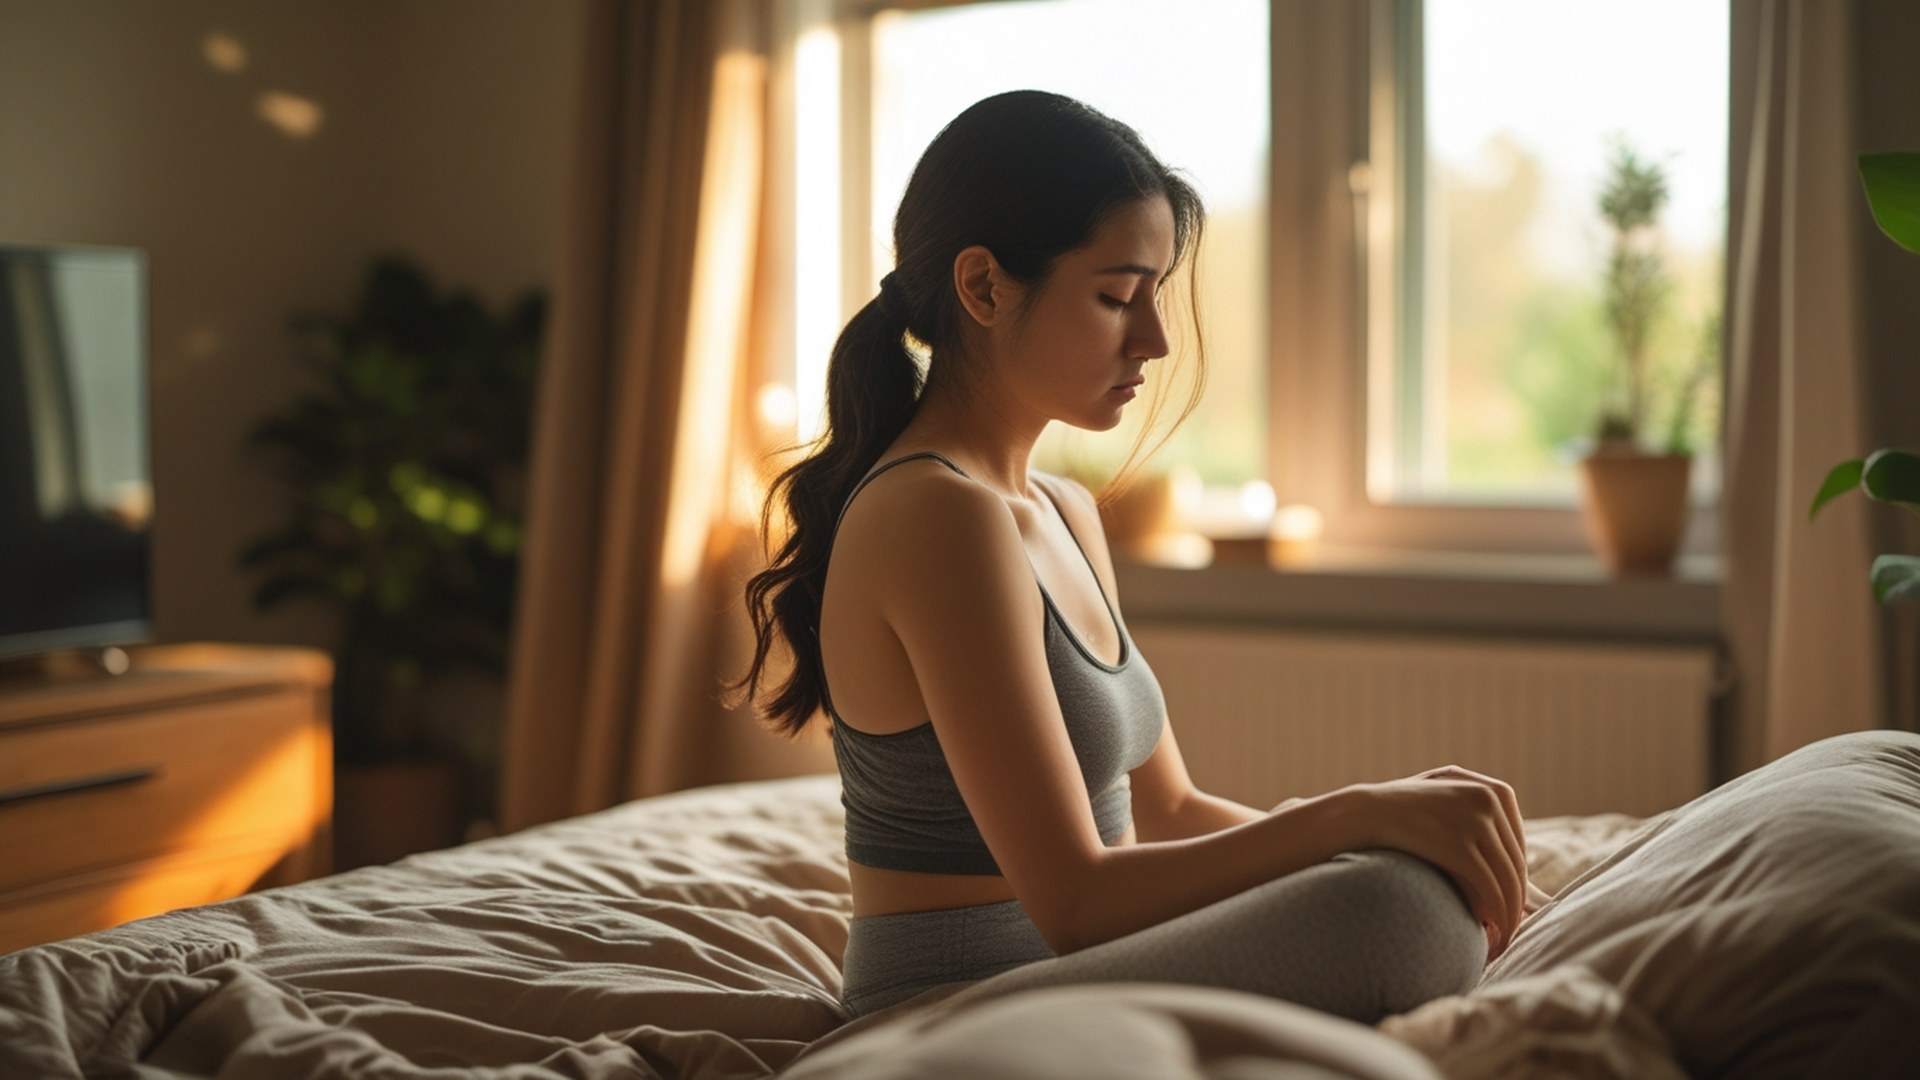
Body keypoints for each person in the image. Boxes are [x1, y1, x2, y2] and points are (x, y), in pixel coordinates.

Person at [735, 90, 1530, 1022]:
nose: (1153, 340)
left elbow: (1176, 811)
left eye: (1153, 295)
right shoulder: (931, 515)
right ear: (984, 287)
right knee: (1396, 915)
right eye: (1117, 296)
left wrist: (1394, 838)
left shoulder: (1064, 511)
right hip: (949, 1011)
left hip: (1077, 980)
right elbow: (1077, 900)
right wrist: (1358, 816)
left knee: (1406, 882)